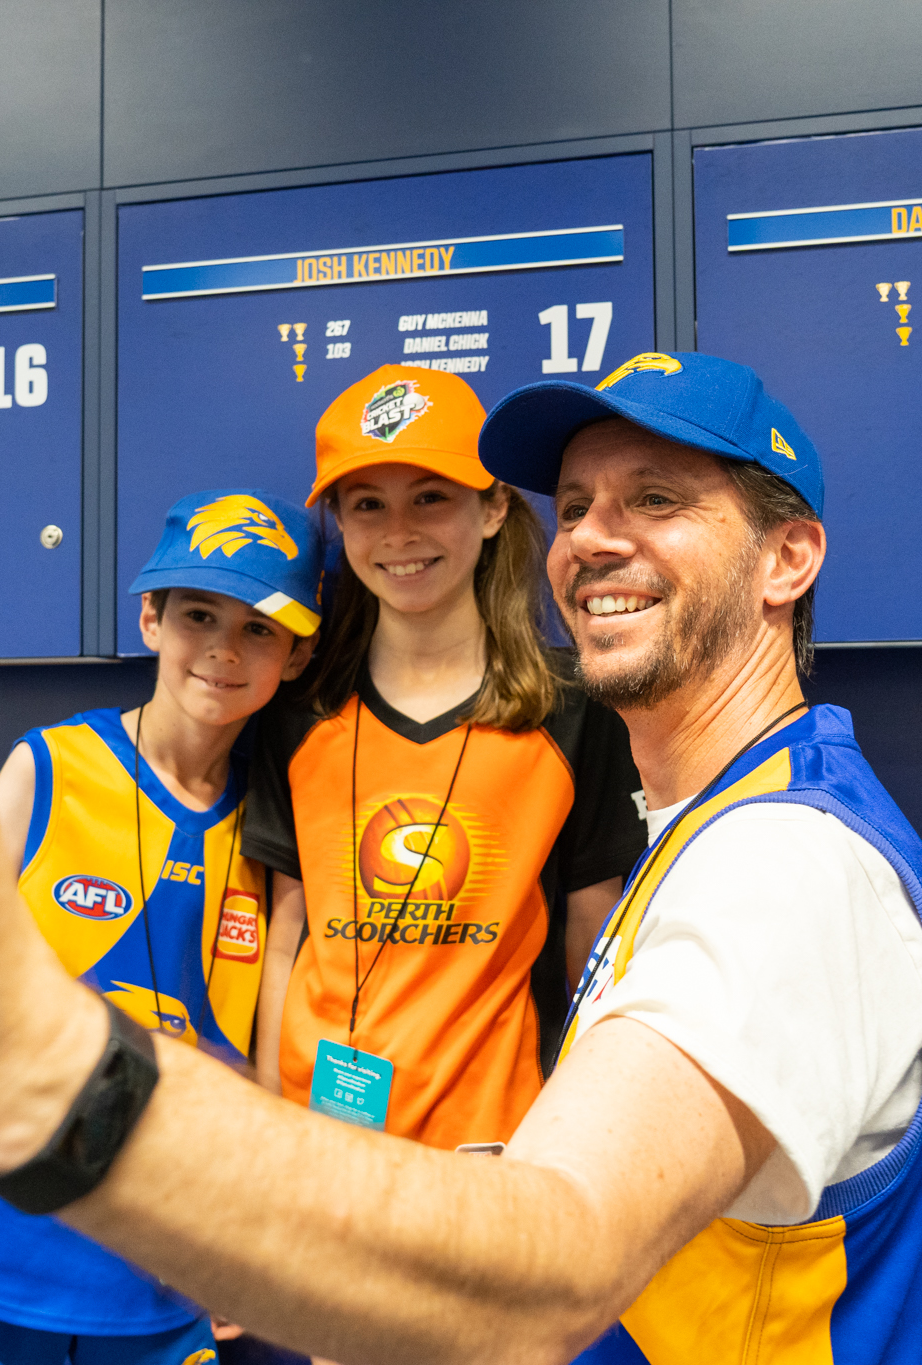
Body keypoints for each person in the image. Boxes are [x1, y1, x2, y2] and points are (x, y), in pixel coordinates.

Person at [0, 352, 922, 1365]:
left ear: (790, 560)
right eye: (579, 502)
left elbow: (554, 1269)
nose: (594, 535)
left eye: (660, 500)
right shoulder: (699, 820)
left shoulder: (791, 864)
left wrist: (28, 1073)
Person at [0, 489, 320, 1365]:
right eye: (199, 614)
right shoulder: (48, 769)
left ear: (297, 656)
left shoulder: (279, 824)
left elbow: (266, 1055)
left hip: (172, 1267)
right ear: (151, 617)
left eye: (259, 629)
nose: (225, 651)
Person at [247, 365, 646, 1151]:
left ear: (494, 506)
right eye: (368, 504)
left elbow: (592, 959)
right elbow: (285, 934)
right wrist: (267, 1131)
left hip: (489, 1152)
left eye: (430, 495)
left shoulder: (574, 710)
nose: (399, 532)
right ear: (339, 521)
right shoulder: (298, 713)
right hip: (314, 1142)